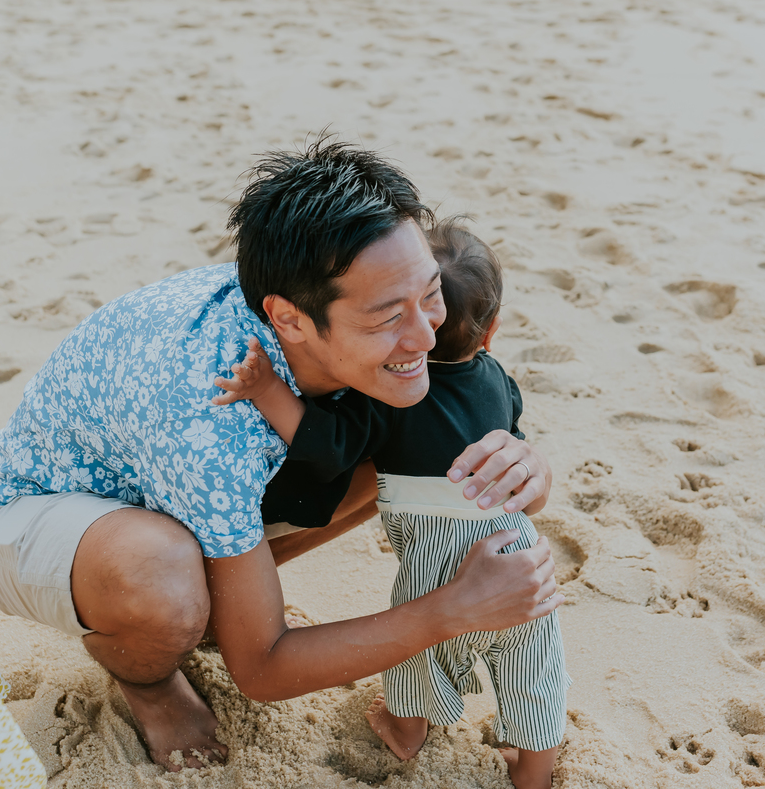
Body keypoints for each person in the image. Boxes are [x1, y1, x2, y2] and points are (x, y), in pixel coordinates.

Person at [0, 140, 562, 772]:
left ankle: (219, 598)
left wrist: (527, 467)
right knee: (163, 579)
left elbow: (463, 423)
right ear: (291, 319)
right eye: (387, 317)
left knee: (404, 439)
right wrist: (454, 610)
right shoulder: (212, 410)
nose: (425, 335)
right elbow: (263, 669)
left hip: (175, 492)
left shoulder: (376, 327)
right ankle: (148, 678)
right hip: (36, 524)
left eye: (431, 294)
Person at [213, 220, 568, 789]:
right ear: (490, 332)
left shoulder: (390, 392)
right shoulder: (498, 379)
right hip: (513, 551)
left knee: (416, 650)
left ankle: (406, 729)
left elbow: (325, 447)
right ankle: (534, 773)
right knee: (534, 662)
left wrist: (265, 391)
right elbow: (515, 437)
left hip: (436, 560)